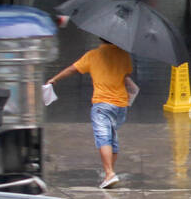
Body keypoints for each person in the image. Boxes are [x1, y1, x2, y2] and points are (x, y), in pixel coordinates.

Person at [45, 39, 134, 189]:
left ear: (101, 38)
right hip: (120, 105)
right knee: (112, 137)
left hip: (102, 104)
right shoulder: (124, 55)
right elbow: (125, 75)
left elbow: (72, 69)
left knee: (103, 138)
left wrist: (54, 79)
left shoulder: (93, 55)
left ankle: (110, 173)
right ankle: (109, 174)